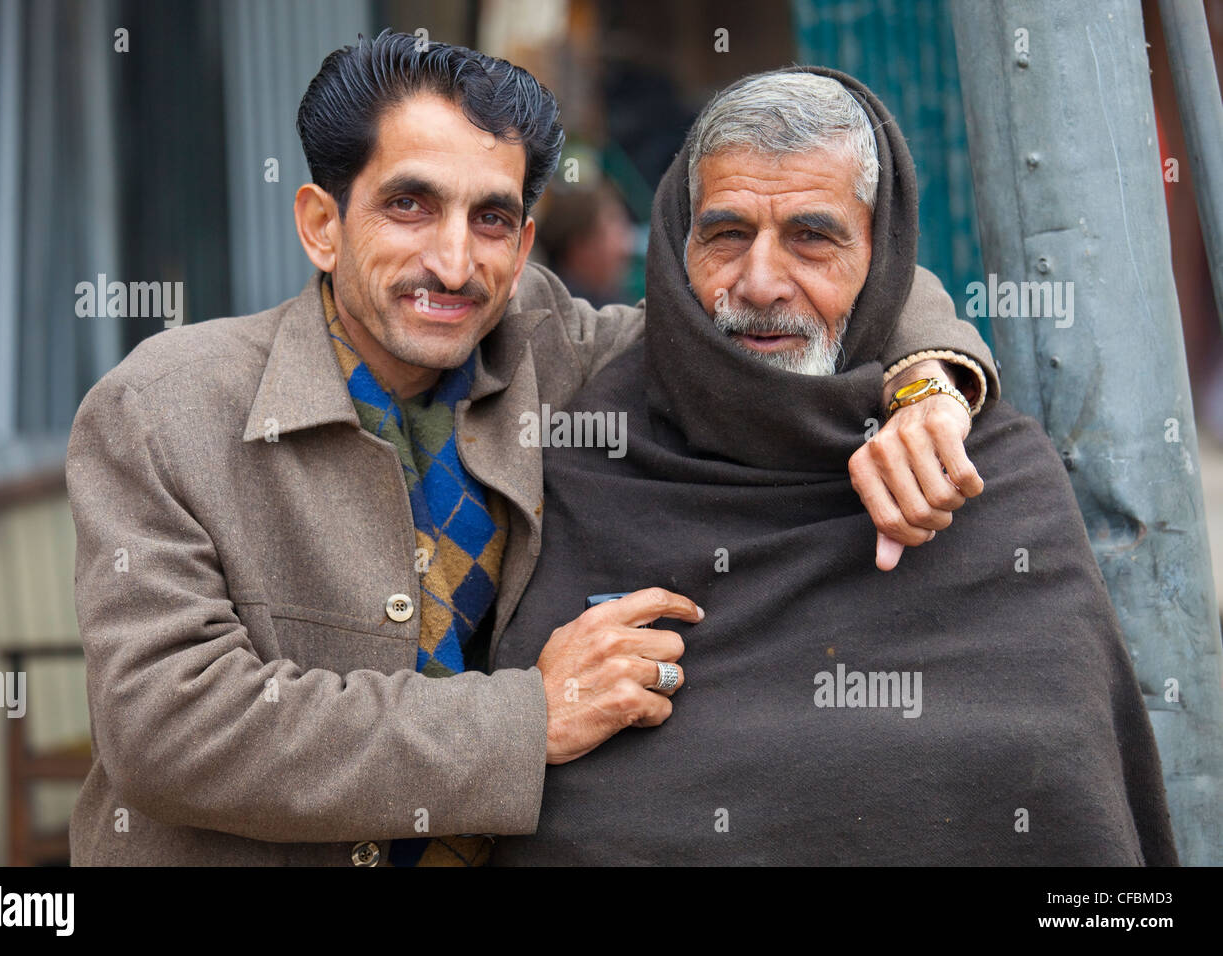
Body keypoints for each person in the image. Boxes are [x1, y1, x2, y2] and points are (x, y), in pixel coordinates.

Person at [65, 33, 999, 866]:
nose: (455, 263)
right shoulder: (162, 409)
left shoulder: (556, 349)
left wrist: (929, 383)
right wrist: (527, 720)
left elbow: (790, 297)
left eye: (493, 219)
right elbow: (171, 729)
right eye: (408, 206)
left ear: (524, 240)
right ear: (320, 222)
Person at [490, 67, 1178, 866]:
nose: (760, 282)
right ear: (679, 241)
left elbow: (1066, 791)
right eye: (726, 234)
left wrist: (931, 379)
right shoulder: (591, 445)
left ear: (882, 257)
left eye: (813, 238)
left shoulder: (989, 471)